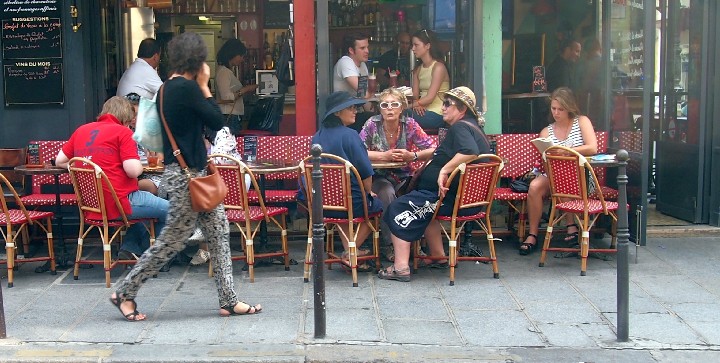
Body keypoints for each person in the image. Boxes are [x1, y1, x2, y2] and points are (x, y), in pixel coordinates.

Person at [110, 32, 261, 321]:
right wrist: (205, 86)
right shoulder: (187, 89)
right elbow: (218, 121)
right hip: (187, 177)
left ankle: (229, 300)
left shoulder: (166, 88)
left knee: (218, 234)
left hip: (189, 174)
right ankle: (125, 292)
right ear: (196, 60)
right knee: (172, 240)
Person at [378, 86, 491, 282]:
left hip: (446, 198)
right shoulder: (474, 128)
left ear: (462, 109)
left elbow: (469, 151)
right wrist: (415, 156)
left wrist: (445, 170)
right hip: (463, 199)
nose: (443, 108)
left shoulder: (460, 127)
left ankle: (400, 267)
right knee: (424, 209)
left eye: (447, 104)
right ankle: (437, 255)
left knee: (397, 206)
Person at [55, 96, 169, 260]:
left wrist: (86, 166)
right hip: (121, 202)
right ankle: (150, 255)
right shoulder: (123, 132)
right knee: (173, 210)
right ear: (125, 116)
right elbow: (133, 172)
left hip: (91, 206)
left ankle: (130, 248)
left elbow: (60, 161)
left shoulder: (81, 130)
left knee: (148, 210)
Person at [359, 87, 436, 262]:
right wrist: (382, 156)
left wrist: (413, 156)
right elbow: (358, 151)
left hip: (404, 176)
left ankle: (415, 244)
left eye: (394, 104)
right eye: (385, 105)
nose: (389, 109)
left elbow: (433, 149)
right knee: (387, 194)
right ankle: (390, 246)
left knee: (418, 195)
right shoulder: (372, 124)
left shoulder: (409, 125)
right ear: (380, 109)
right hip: (378, 176)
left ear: (402, 107)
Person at [519, 87, 598, 256]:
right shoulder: (546, 131)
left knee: (565, 178)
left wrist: (567, 151)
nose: (556, 113)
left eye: (560, 109)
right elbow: (544, 161)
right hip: (555, 175)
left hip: (581, 175)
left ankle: (572, 227)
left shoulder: (581, 121)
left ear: (569, 108)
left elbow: (592, 147)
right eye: (553, 109)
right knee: (535, 187)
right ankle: (533, 234)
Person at [312, 91, 384, 269]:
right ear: (337, 113)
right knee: (377, 206)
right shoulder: (350, 135)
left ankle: (351, 250)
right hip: (351, 203)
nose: (355, 111)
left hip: (322, 204)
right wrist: (369, 192)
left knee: (347, 208)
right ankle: (350, 251)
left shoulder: (317, 136)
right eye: (351, 108)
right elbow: (366, 173)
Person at [408, 29, 450, 130]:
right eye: (412, 45)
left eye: (416, 45)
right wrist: (416, 105)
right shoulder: (418, 69)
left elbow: (430, 97)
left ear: (427, 46)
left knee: (401, 114)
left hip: (437, 113)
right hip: (422, 111)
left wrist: (408, 106)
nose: (413, 49)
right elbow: (415, 95)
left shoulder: (438, 67)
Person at [332, 33, 374, 132]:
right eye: (362, 48)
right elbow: (362, 91)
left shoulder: (362, 65)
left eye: (367, 47)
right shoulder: (345, 62)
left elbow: (363, 97)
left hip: (355, 114)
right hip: (342, 116)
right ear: (351, 50)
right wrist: (374, 96)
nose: (367, 51)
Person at [215, 39, 258, 132]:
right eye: (241, 56)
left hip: (232, 116)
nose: (242, 59)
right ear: (232, 54)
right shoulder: (224, 72)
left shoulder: (227, 71)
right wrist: (246, 89)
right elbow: (226, 97)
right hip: (228, 116)